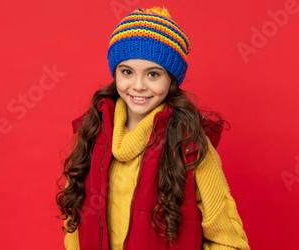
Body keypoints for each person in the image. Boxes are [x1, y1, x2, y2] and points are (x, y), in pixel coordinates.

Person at [56, 6, 250, 250]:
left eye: (153, 74)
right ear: (115, 73)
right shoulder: (93, 132)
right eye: (127, 71)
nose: (138, 86)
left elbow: (227, 240)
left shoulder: (190, 144)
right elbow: (75, 221)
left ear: (171, 80)